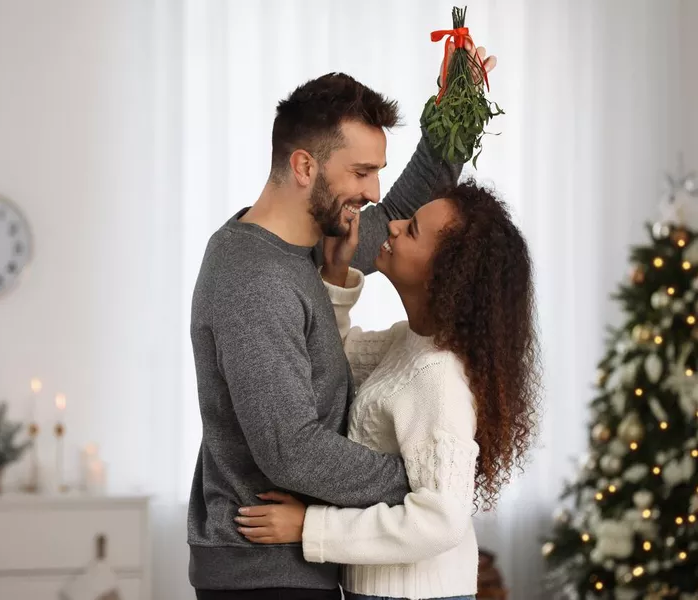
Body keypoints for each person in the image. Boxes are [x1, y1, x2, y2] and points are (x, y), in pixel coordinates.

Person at [188, 44, 497, 599]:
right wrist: (422, 484)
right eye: (360, 171)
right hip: (262, 570)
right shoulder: (253, 276)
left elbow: (408, 218)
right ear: (305, 166)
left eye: (375, 170)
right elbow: (292, 449)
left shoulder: (313, 247)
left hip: (295, 562)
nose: (373, 192)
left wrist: (460, 108)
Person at [234, 180, 541, 600]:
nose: (393, 226)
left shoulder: (437, 376)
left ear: (445, 274)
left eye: (412, 229)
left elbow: (440, 520)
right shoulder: (408, 343)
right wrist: (337, 273)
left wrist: (310, 526)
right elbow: (333, 357)